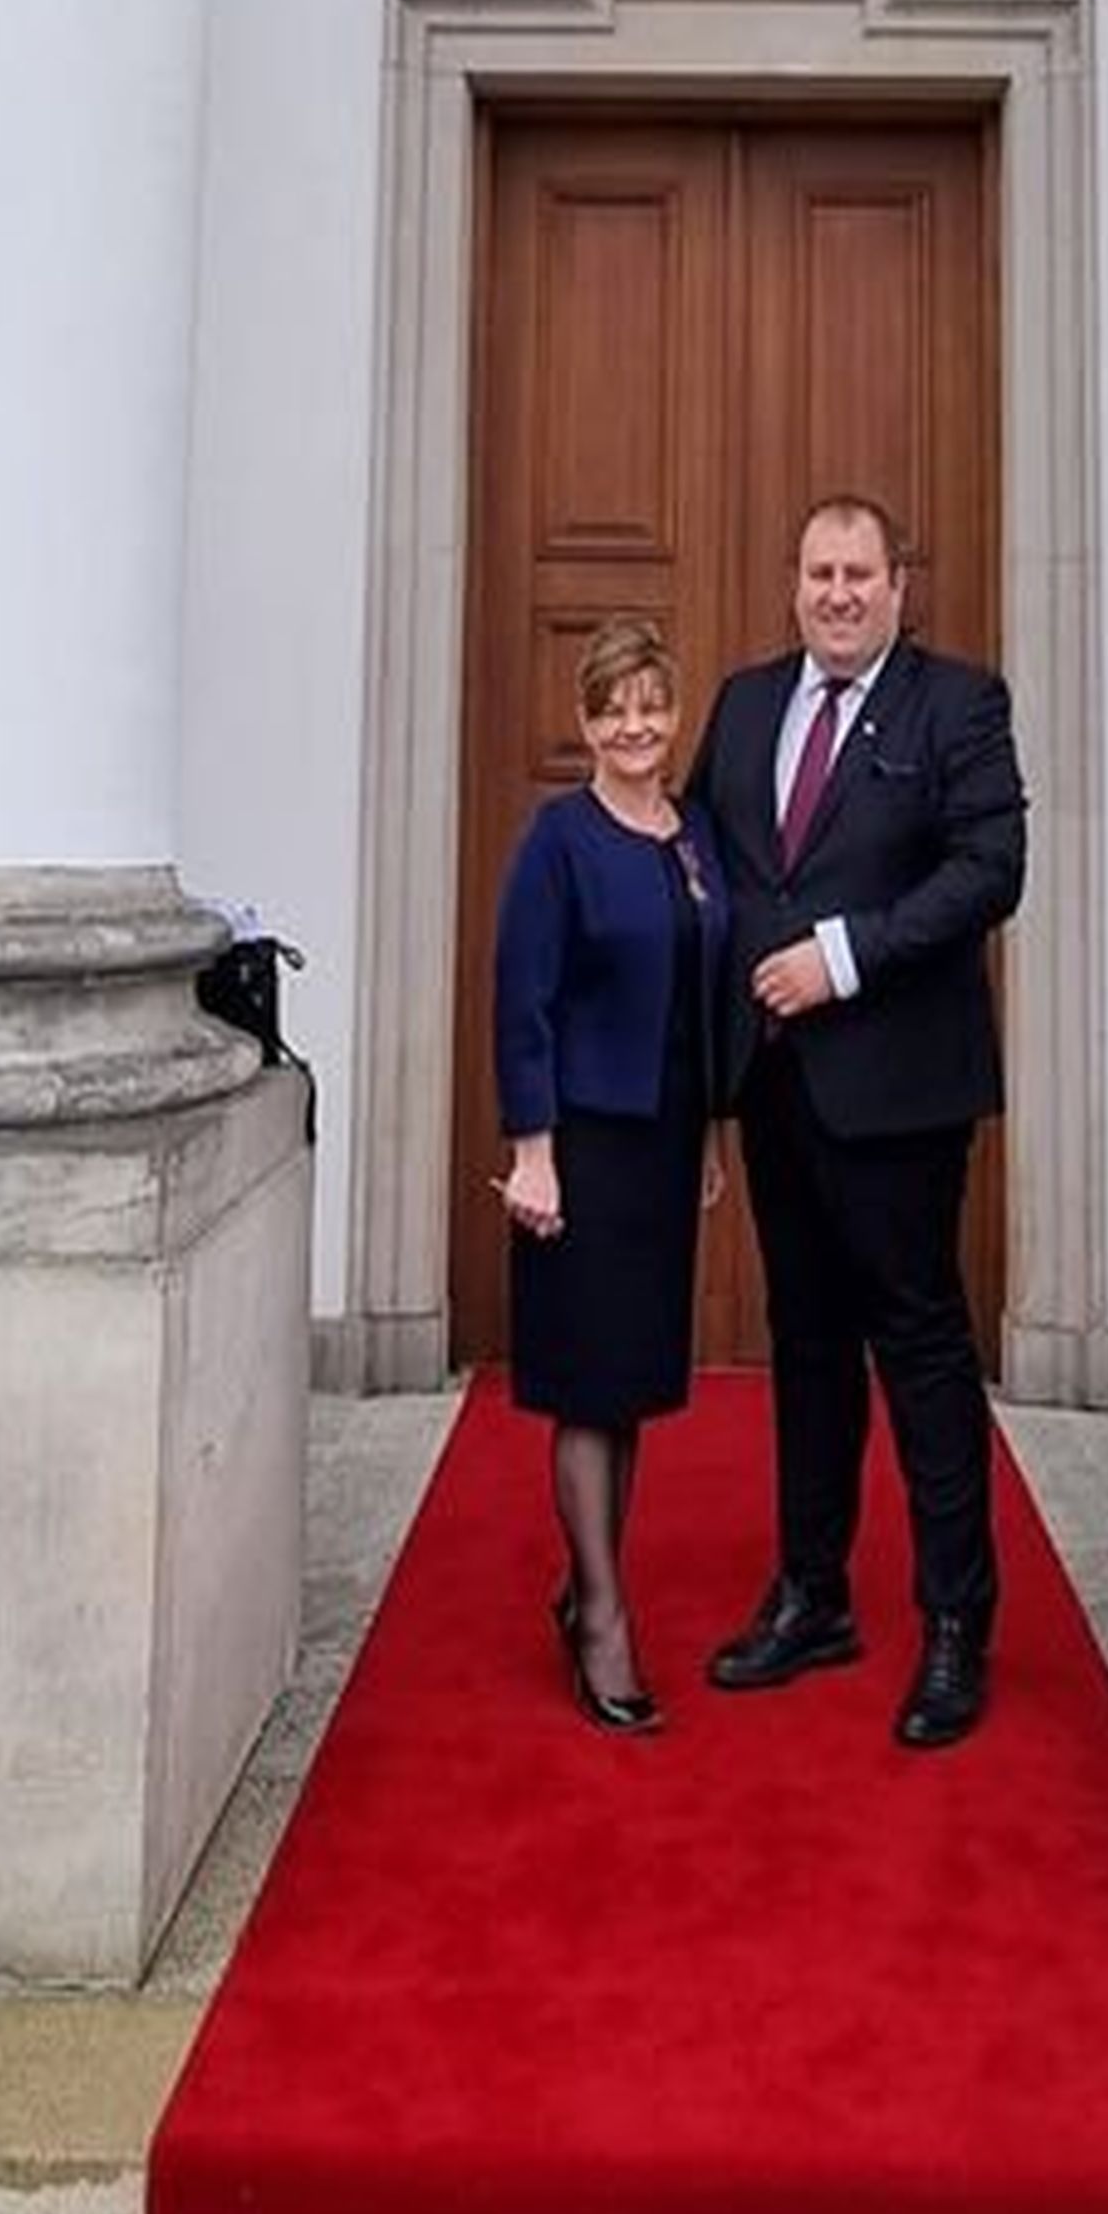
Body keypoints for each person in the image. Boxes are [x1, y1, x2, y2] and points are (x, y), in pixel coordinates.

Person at [687, 495, 1027, 1749]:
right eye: (820, 572)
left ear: (898, 588)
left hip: (899, 1091)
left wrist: (842, 956)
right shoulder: (743, 705)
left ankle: (955, 1625)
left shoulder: (959, 706)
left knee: (921, 1348)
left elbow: (990, 872)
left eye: (859, 574)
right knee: (808, 1343)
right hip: (776, 1088)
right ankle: (813, 1594)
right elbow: (703, 865)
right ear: (796, 583)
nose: (837, 593)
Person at [492, 616, 732, 1735]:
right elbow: (522, 1003)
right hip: (582, 1146)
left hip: (665, 1141)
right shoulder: (559, 840)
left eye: (652, 705)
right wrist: (532, 1153)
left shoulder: (694, 838)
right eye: (613, 709)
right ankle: (600, 1616)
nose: (635, 726)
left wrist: (712, 1136)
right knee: (588, 1385)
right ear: (585, 722)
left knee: (629, 1379)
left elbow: (704, 1000)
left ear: (673, 714)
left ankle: (591, 1584)